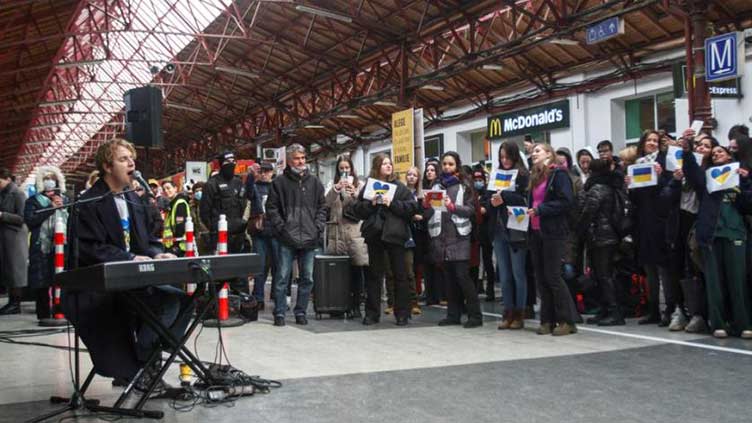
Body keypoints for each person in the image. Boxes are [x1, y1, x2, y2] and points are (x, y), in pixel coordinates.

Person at [62, 138, 191, 392]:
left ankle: (141, 364)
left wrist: (156, 254)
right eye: (123, 159)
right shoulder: (89, 202)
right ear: (107, 167)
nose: (131, 163)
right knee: (143, 308)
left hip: (133, 281)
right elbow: (90, 248)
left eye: (132, 158)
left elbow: (148, 240)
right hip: (101, 285)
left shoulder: (134, 199)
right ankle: (141, 370)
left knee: (177, 300)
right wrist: (129, 258)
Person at [681, 132, 752, 339]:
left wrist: (744, 185)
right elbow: (692, 173)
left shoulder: (740, 176)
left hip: (735, 232)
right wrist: (687, 152)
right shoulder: (706, 179)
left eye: (721, 151)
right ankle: (718, 323)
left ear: (730, 156)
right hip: (710, 234)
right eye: (713, 155)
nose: (716, 155)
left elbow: (748, 205)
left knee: (738, 281)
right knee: (714, 282)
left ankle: (743, 323)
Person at [350, 154, 419, 326]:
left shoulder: (399, 187)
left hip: (395, 235)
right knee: (374, 275)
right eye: (384, 164)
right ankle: (372, 314)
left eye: (390, 163)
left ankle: (402, 313)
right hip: (375, 235)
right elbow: (357, 210)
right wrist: (371, 203)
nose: (388, 166)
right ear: (377, 167)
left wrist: (392, 203)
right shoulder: (370, 186)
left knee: (400, 274)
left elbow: (411, 207)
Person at [659, 134, 717, 333]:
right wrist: (675, 181)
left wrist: (688, 158)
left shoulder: (711, 171)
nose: (701, 148)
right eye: (699, 145)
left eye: (706, 146)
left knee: (696, 269)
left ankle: (699, 313)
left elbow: (700, 183)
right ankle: (680, 310)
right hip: (678, 222)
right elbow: (665, 199)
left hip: (699, 222)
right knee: (677, 268)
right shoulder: (678, 170)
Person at [266, 144, 326, 327]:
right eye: (296, 158)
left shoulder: (315, 182)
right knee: (282, 276)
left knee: (307, 278)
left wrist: (317, 227)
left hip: (310, 237)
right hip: (286, 238)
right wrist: (282, 228)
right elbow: (271, 208)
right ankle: (280, 313)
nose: (300, 162)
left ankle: (301, 312)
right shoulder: (279, 183)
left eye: (302, 158)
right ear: (289, 160)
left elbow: (322, 207)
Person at [423, 152, 482, 328]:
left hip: (459, 236)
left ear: (457, 165)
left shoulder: (464, 185)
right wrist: (426, 206)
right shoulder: (436, 185)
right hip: (441, 237)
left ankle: (475, 316)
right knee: (449, 278)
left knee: (463, 277)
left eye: (451, 164)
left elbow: (471, 210)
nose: (447, 167)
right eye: (445, 164)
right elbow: (428, 214)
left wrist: (453, 207)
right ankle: (453, 314)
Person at [528, 143, 578, 336]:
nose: (534, 154)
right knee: (541, 278)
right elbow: (533, 201)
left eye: (538, 151)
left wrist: (541, 210)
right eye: (533, 152)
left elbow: (566, 202)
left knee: (553, 277)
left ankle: (567, 319)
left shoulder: (559, 174)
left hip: (554, 231)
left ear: (549, 154)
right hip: (536, 230)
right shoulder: (535, 177)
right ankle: (547, 320)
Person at [626, 130, 674, 326]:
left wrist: (661, 175)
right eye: (649, 140)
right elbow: (636, 200)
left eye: (655, 140)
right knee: (649, 270)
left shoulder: (664, 162)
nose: (652, 143)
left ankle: (670, 309)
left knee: (664, 269)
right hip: (643, 223)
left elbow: (670, 191)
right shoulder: (637, 164)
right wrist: (630, 187)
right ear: (642, 143)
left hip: (661, 221)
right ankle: (653, 309)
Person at [483, 142, 529, 330]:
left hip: (517, 228)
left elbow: (525, 200)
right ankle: (508, 311)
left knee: (518, 273)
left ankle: (520, 312)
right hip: (499, 229)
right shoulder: (495, 175)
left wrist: (505, 198)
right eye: (501, 157)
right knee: (505, 274)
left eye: (507, 157)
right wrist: (491, 202)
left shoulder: (523, 176)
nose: (504, 160)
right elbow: (487, 198)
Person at [577, 159, 625, 326]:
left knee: (604, 275)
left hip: (601, 237)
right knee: (601, 275)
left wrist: (578, 230)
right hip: (607, 236)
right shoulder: (610, 186)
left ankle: (614, 311)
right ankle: (606, 310)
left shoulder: (597, 188)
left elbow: (588, 212)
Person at [324, 156, 369, 318]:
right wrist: (336, 189)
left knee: (357, 270)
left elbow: (365, 207)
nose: (344, 171)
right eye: (342, 168)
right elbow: (325, 203)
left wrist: (356, 194)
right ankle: (339, 306)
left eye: (347, 168)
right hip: (336, 232)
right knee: (338, 272)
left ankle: (356, 305)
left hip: (355, 232)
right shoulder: (331, 184)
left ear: (352, 169)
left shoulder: (361, 185)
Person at [200, 151, 249, 293]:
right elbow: (204, 211)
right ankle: (215, 304)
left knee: (239, 272)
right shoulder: (212, 184)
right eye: (228, 162)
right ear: (221, 164)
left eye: (234, 161)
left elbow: (245, 204)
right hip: (220, 236)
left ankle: (242, 302)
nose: (231, 164)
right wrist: (215, 229)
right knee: (219, 273)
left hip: (237, 235)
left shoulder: (239, 183)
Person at [24, 166, 69, 321]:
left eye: (52, 178)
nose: (50, 181)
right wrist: (50, 208)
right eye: (46, 178)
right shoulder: (33, 201)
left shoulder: (65, 198)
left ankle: (60, 311)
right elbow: (30, 220)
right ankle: (43, 315)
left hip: (61, 244)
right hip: (40, 245)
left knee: (61, 278)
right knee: (41, 281)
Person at [248, 163, 277, 310]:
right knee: (260, 265)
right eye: (262, 171)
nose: (264, 174)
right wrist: (250, 176)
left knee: (277, 265)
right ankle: (258, 297)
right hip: (259, 231)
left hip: (275, 231)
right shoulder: (254, 186)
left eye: (267, 171)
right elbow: (247, 194)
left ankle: (277, 295)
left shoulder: (277, 186)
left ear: (272, 172)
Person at [0, 168, 29, 315]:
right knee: (7, 270)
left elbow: (22, 218)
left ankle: (15, 303)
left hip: (15, 237)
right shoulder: (3, 193)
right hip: (5, 237)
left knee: (15, 270)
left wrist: (2, 215)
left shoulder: (18, 194)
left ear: (8, 179)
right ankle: (12, 301)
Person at [420, 160, 445, 305]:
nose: (429, 172)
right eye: (427, 170)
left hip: (437, 229)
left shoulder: (438, 187)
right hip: (428, 229)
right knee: (429, 264)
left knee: (437, 264)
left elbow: (436, 210)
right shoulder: (426, 187)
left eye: (432, 170)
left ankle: (440, 295)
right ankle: (432, 295)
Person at [471, 167, 496, 301]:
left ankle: (490, 289)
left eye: (481, 180)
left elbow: (486, 211)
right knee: (475, 262)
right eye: (476, 180)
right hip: (474, 232)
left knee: (488, 262)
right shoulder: (471, 194)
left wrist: (481, 209)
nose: (478, 182)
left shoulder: (488, 194)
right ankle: (475, 287)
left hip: (486, 232)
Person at [161, 180, 190, 256]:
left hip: (179, 246)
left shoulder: (180, 203)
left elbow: (180, 226)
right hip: (172, 244)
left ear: (175, 188)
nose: (166, 191)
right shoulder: (171, 204)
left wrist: (175, 245)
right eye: (164, 189)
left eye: (168, 188)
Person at [189, 182, 211, 256]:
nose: (199, 193)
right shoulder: (191, 206)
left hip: (209, 235)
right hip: (198, 237)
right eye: (196, 191)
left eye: (201, 190)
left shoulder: (210, 203)